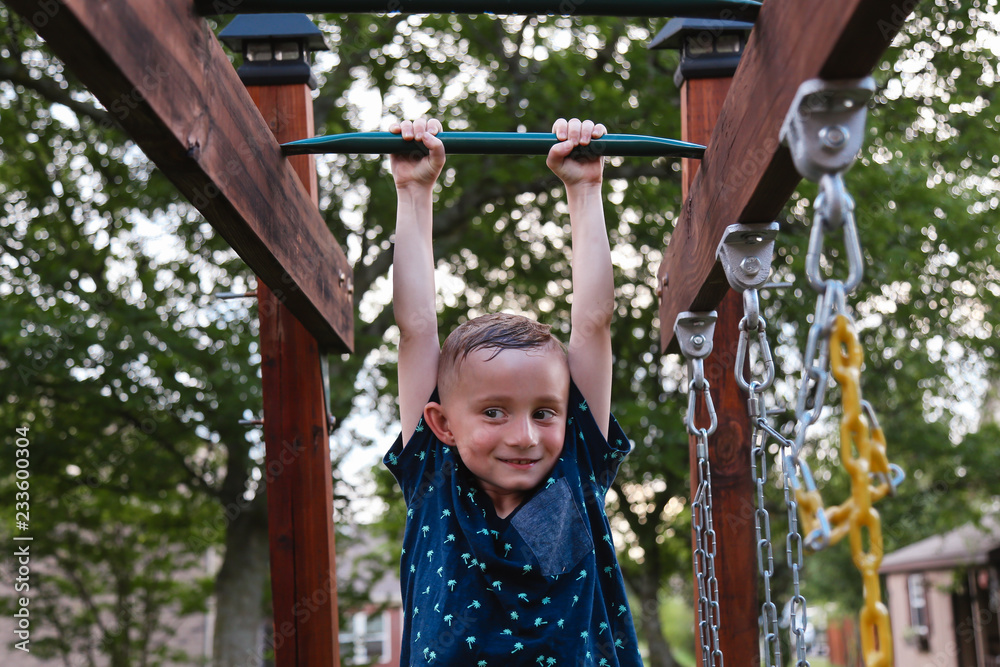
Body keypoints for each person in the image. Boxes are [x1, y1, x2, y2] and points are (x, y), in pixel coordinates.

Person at [383, 117, 642, 666]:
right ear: (442, 423)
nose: (524, 436)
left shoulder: (575, 463)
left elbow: (593, 322)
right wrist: (413, 191)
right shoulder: (435, 473)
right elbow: (416, 327)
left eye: (545, 412)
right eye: (494, 412)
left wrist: (585, 188)